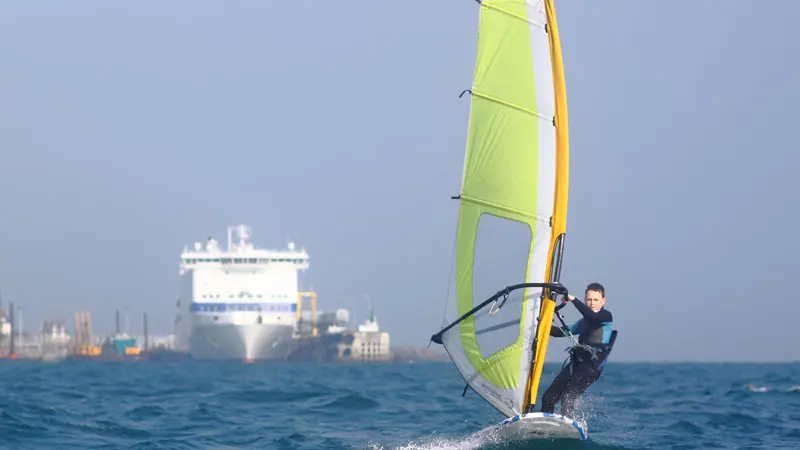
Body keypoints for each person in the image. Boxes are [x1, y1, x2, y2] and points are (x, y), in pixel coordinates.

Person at [540, 282, 615, 418]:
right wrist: (542, 321)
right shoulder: (583, 322)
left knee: (568, 397)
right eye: (589, 299)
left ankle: (566, 426)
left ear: (604, 300)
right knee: (548, 397)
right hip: (576, 363)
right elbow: (559, 332)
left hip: (591, 367)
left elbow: (592, 317)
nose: (592, 303)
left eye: (596, 300)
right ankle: (544, 426)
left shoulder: (605, 317)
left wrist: (573, 299)